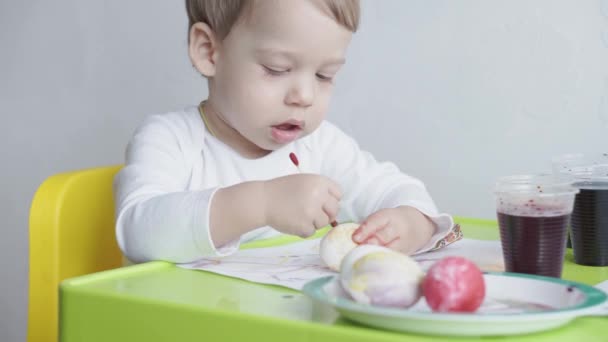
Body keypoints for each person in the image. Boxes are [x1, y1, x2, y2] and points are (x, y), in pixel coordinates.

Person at [113, 0, 455, 264]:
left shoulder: (319, 147)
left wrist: (411, 223)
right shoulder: (170, 139)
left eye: (325, 75)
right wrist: (261, 203)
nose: (304, 96)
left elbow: (394, 188)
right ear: (208, 52)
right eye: (276, 69)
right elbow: (137, 231)